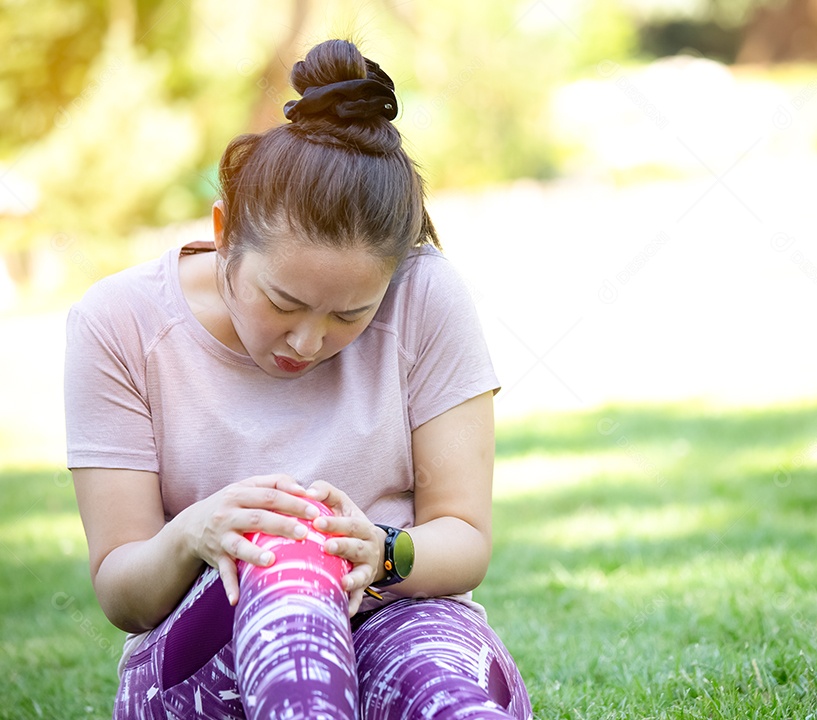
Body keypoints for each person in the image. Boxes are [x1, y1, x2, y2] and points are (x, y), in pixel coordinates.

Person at [64, 38, 532, 720]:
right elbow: (122, 591)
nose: (309, 342)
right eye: (282, 302)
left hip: (395, 621)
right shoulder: (119, 323)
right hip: (205, 659)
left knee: (441, 693)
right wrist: (197, 530)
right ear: (224, 233)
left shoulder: (428, 295)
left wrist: (384, 550)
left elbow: (462, 535)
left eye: (351, 314)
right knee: (284, 548)